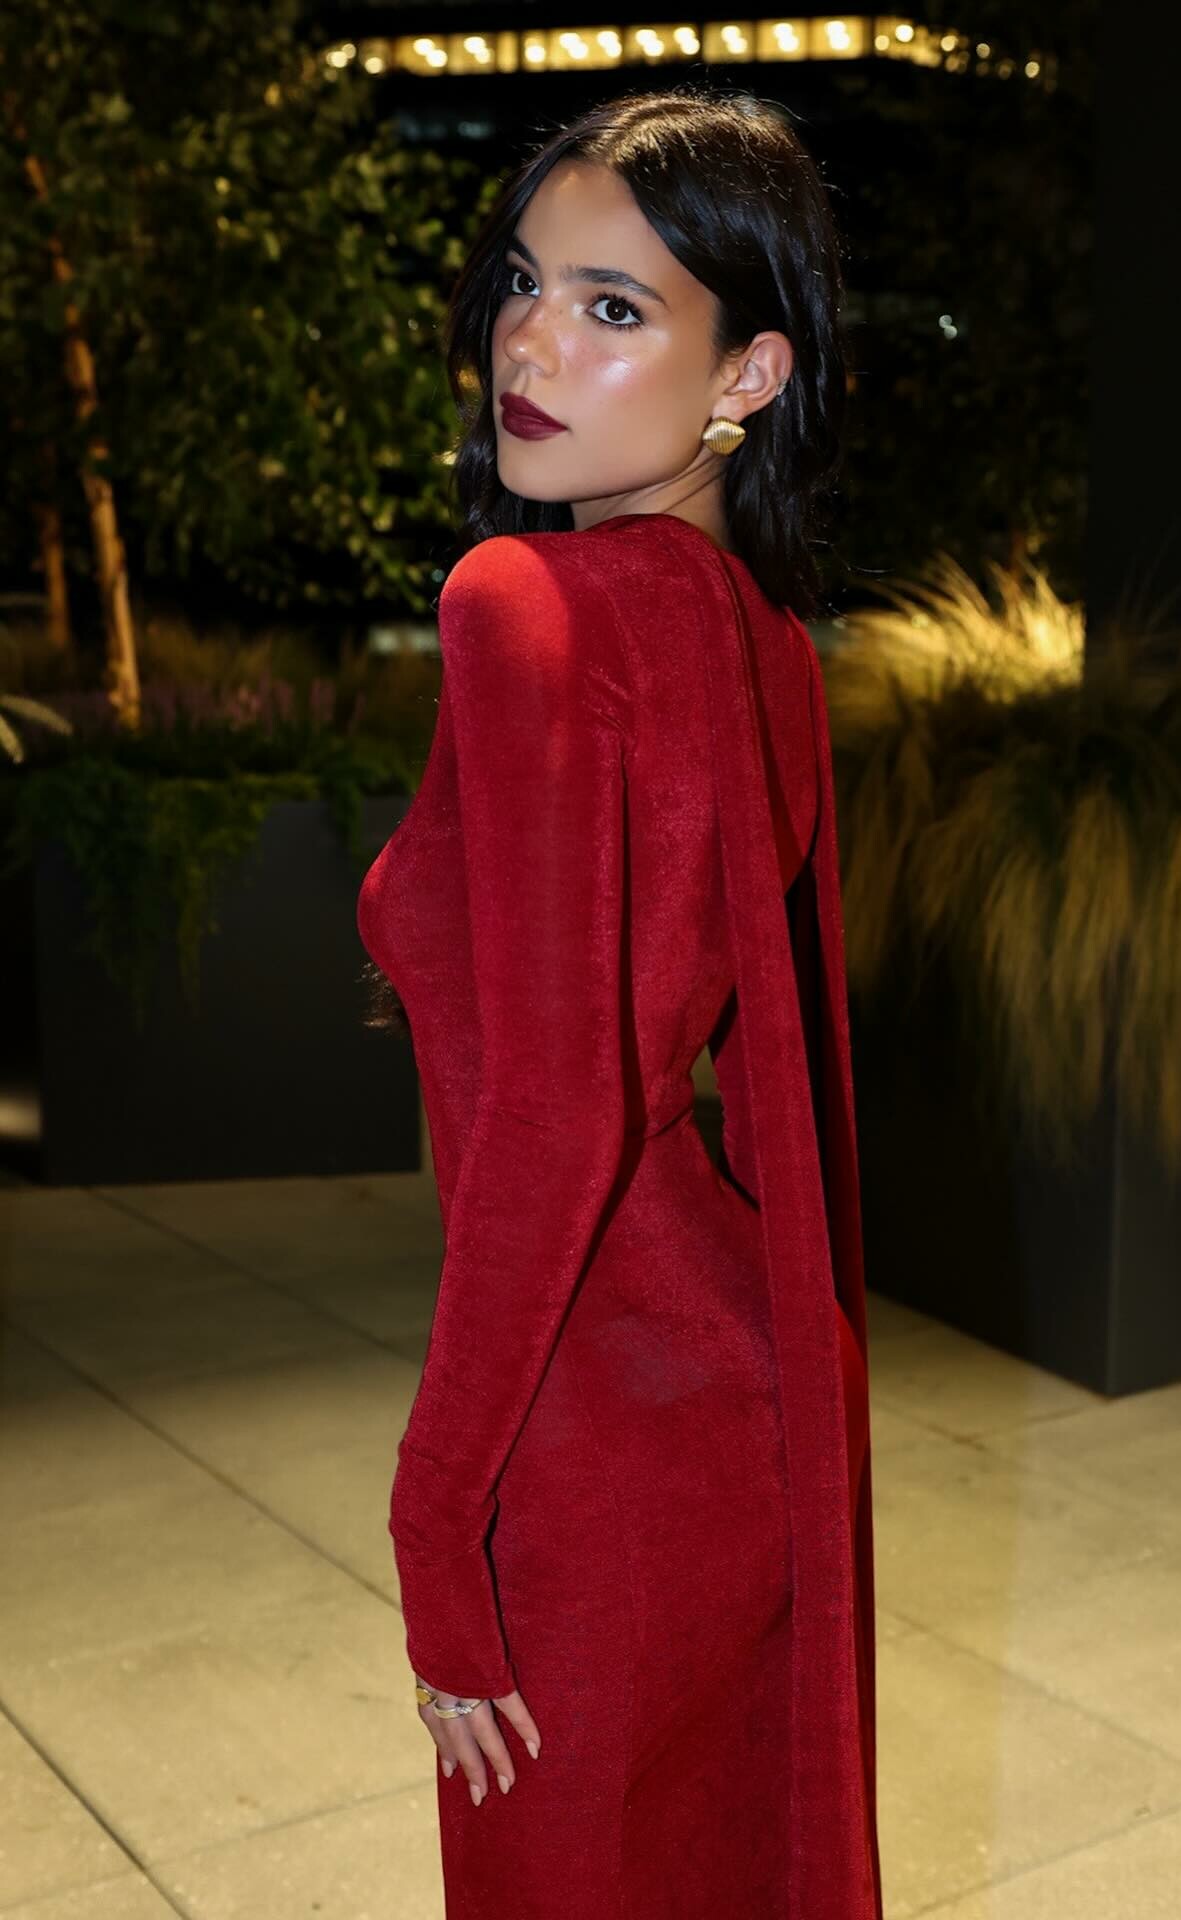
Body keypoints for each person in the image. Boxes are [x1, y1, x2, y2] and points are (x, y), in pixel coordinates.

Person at [356, 86, 881, 1919]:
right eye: (523, 281)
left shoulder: (522, 605)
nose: (527, 342)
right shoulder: (772, 651)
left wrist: (437, 1511)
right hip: (744, 1404)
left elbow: (562, 1111)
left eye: (611, 307)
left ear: (748, 375)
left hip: (581, 1443)